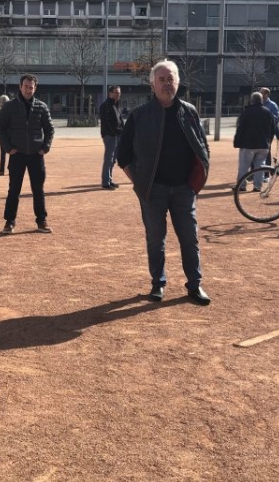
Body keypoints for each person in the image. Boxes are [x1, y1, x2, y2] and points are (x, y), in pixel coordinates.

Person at [116, 60, 211, 306]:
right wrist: (139, 182)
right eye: (162, 79)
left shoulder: (189, 112)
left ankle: (195, 285)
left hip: (183, 189)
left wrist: (195, 181)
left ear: (178, 82)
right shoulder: (139, 116)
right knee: (155, 239)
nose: (167, 83)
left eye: (171, 79)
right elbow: (123, 154)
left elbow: (202, 147)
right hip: (152, 189)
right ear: (152, 84)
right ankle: (158, 284)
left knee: (189, 237)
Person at [0, 73, 55, 234]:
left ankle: (41, 221)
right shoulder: (9, 107)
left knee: (38, 189)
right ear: (20, 87)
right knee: (14, 189)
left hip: (36, 154)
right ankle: (9, 222)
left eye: (31, 87)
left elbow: (49, 129)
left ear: (35, 88)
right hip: (17, 154)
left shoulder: (41, 107)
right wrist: (8, 148)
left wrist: (45, 147)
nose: (29, 90)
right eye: (26, 86)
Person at [234, 91, 279, 192]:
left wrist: (237, 142)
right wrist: (269, 140)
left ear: (252, 101)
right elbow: (273, 127)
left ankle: (242, 186)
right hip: (263, 144)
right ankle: (257, 186)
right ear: (261, 100)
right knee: (260, 166)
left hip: (248, 144)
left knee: (244, 166)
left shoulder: (247, 112)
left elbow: (240, 128)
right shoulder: (268, 112)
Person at [98, 85, 124, 190]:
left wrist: (123, 131)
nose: (118, 95)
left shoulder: (116, 105)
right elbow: (107, 122)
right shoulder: (105, 106)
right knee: (109, 159)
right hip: (110, 136)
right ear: (110, 93)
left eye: (119, 93)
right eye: (116, 92)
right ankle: (105, 182)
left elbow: (120, 120)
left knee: (113, 159)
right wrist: (114, 132)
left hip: (117, 135)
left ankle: (109, 179)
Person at [0, 94, 10, 175]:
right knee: (12, 151)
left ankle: (1, 170)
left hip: (2, 134)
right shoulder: (11, 111)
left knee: (3, 152)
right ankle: (10, 167)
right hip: (9, 133)